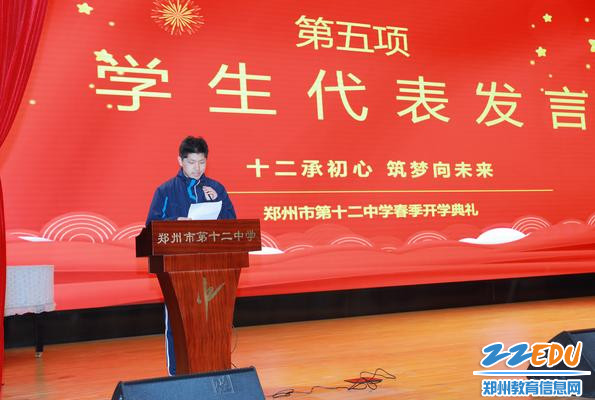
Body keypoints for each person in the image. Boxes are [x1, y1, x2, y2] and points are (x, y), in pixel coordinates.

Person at [145, 135, 236, 375]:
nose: (197, 168)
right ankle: (177, 375)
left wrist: (216, 201)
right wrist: (176, 222)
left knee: (212, 322)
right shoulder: (166, 190)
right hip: (177, 268)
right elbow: (150, 227)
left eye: (202, 162)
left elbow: (233, 226)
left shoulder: (216, 189)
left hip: (213, 268)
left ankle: (215, 369)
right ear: (180, 161)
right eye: (191, 162)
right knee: (179, 323)